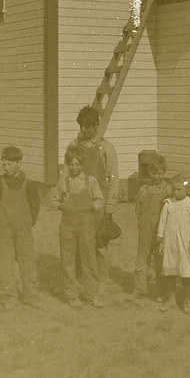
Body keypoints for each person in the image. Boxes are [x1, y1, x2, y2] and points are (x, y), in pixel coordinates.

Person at [50, 143, 105, 308]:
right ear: (68, 164)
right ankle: (72, 295)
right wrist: (62, 206)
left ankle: (93, 295)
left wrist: (89, 207)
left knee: (89, 260)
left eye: (77, 164)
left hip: (86, 225)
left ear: (82, 164)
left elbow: (100, 200)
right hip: (67, 226)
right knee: (68, 261)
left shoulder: (91, 181)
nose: (74, 167)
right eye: (71, 164)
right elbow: (53, 200)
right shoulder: (63, 182)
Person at [73, 105, 120, 288]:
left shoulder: (105, 148)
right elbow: (67, 175)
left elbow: (114, 179)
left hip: (99, 206)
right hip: (79, 204)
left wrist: (109, 207)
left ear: (96, 126)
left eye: (88, 126)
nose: (84, 130)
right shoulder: (74, 146)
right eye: (82, 126)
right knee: (80, 241)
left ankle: (101, 279)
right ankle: (82, 277)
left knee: (99, 243)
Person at [0, 145, 41, 310]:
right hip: (4, 230)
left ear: (19, 163)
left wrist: (28, 222)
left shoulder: (29, 185)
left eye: (10, 164)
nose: (6, 167)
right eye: (4, 164)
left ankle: (31, 296)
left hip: (23, 230)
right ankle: (9, 298)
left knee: (27, 262)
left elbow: (35, 206)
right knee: (5, 264)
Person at [129, 154, 172, 302]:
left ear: (164, 172)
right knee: (142, 258)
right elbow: (138, 208)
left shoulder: (168, 190)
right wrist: (142, 223)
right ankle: (139, 289)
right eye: (153, 173)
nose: (156, 176)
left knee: (160, 260)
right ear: (149, 173)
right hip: (146, 228)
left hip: (162, 230)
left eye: (159, 173)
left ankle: (162, 291)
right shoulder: (144, 190)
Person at [156, 173, 190, 313]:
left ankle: (186, 301)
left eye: (179, 189)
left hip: (186, 244)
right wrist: (161, 241)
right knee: (170, 271)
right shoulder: (168, 204)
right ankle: (170, 299)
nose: (175, 192)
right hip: (171, 243)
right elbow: (162, 223)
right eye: (174, 189)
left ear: (187, 190)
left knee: (186, 273)